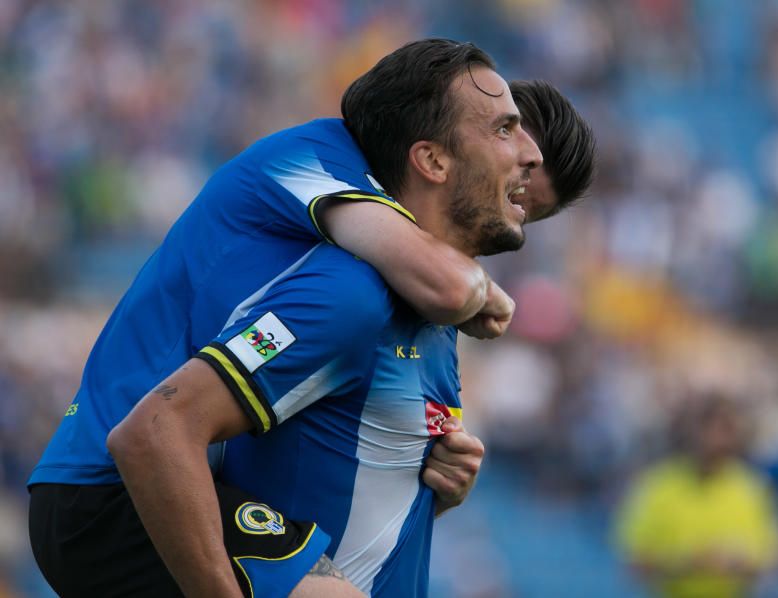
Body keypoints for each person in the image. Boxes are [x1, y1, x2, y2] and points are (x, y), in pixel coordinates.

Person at [27, 39, 596, 598]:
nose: (526, 163)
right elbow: (161, 431)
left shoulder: (419, 318)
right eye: (504, 131)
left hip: (155, 479)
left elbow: (315, 478)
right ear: (432, 157)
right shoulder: (343, 250)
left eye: (530, 206)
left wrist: (428, 481)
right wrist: (486, 296)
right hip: (107, 487)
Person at [615, 395, 778, 598]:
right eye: (707, 428)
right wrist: (686, 563)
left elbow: (772, 562)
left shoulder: (752, 488)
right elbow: (633, 563)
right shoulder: (657, 485)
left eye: (725, 430)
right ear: (690, 431)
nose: (714, 440)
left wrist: (739, 564)